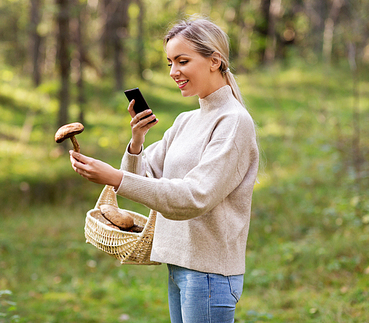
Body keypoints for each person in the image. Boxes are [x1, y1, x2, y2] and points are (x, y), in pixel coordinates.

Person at [70, 17, 259, 323]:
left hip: (209, 275)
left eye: (183, 61)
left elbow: (193, 197)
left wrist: (113, 178)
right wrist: (136, 142)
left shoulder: (233, 121)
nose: (173, 72)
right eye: (170, 62)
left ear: (215, 61)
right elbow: (141, 178)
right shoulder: (187, 120)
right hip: (179, 266)